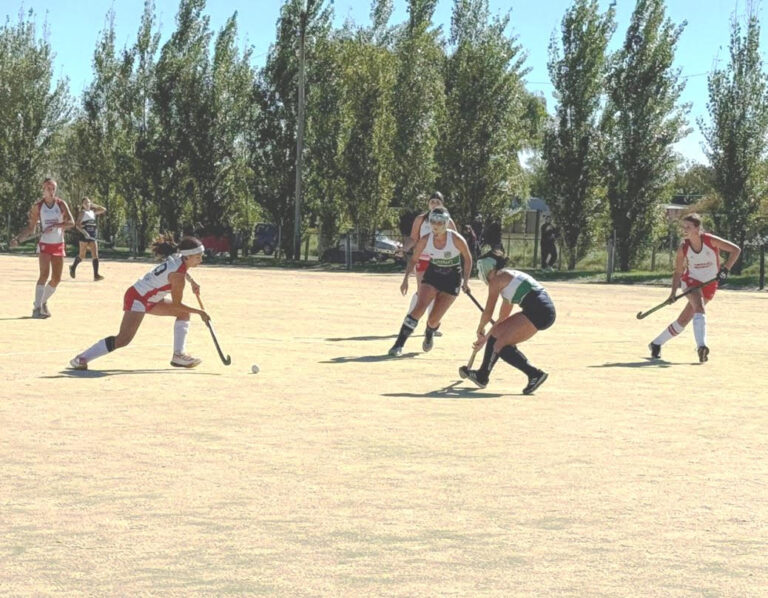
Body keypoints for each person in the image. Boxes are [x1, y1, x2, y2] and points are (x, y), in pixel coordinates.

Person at [68, 235, 210, 371]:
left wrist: (192, 282)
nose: (201, 260)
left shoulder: (178, 258)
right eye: (198, 257)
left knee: (183, 314)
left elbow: (180, 270)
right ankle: (81, 358)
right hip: (138, 298)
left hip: (150, 299)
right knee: (123, 339)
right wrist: (200, 312)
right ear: (187, 256)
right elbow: (176, 304)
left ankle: (178, 356)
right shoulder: (178, 277)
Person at [648, 213, 741, 363]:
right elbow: (678, 271)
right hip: (691, 281)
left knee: (684, 319)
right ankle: (701, 347)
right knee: (699, 307)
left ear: (697, 228)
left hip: (710, 283)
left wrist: (725, 269)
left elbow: (736, 250)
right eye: (683, 227)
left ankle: (656, 343)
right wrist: (672, 293)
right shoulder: (683, 247)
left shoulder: (710, 240)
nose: (684, 230)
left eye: (688, 227)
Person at [465, 249, 556, 395]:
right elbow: (502, 318)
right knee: (497, 335)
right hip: (541, 310)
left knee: (500, 345)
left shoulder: (497, 280)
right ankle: (482, 375)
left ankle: (535, 374)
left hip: (538, 311)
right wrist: (486, 337)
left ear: (488, 269)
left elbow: (488, 312)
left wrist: (480, 329)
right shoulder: (507, 279)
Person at [389, 207, 472, 356]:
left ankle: (429, 331)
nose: (436, 225)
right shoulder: (425, 240)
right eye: (433, 221)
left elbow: (468, 258)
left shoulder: (456, 239)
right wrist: (406, 279)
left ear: (446, 223)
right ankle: (398, 345)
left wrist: (465, 281)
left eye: (440, 222)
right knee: (419, 308)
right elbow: (414, 259)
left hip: (452, 279)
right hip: (433, 275)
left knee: (434, 320)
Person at [10, 177, 75, 318]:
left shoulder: (61, 204)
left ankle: (43, 301)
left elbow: (71, 222)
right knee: (44, 275)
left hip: (58, 244)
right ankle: (37, 308)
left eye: (53, 188)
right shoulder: (38, 206)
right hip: (45, 244)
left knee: (56, 278)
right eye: (48, 188)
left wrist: (57, 225)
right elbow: (30, 228)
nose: (51, 191)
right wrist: (18, 239)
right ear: (43, 190)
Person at [398, 191, 458, 333]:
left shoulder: (448, 221)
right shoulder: (421, 219)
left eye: (437, 202)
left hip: (441, 261)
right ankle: (410, 320)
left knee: (438, 293)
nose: (434, 204)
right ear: (428, 203)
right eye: (432, 202)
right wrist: (403, 248)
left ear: (442, 204)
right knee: (423, 291)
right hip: (423, 259)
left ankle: (431, 325)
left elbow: (455, 241)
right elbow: (413, 238)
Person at [69, 197, 106, 281]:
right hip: (84, 236)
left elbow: (104, 209)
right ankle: (73, 267)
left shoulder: (93, 212)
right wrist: (85, 233)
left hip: (92, 236)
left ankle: (96, 275)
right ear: (83, 205)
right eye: (85, 203)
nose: (87, 204)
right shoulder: (83, 213)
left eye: (88, 202)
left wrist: (94, 205)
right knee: (82, 256)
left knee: (95, 255)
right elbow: (77, 225)